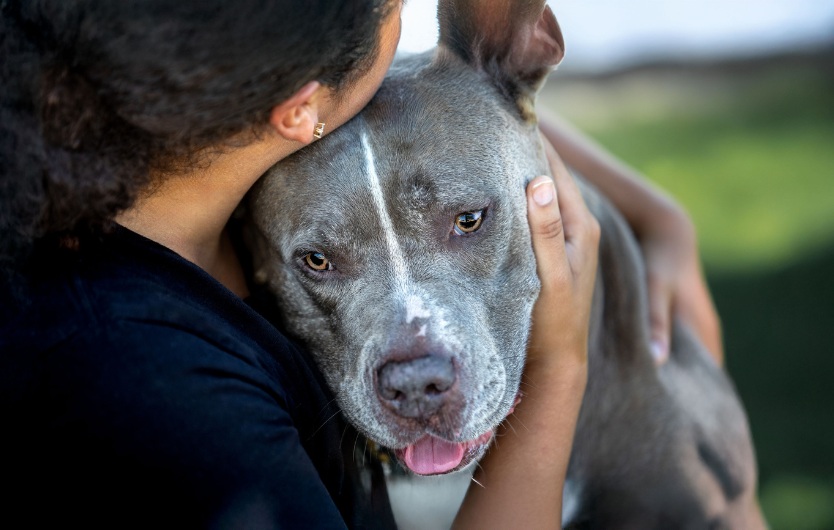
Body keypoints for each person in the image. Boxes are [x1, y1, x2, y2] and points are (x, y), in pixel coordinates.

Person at [0, 0, 720, 528]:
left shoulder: (210, 154)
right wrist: (559, 368)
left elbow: (452, 104)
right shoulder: (170, 404)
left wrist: (656, 214)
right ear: (298, 107)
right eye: (395, 7)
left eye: (468, 222)